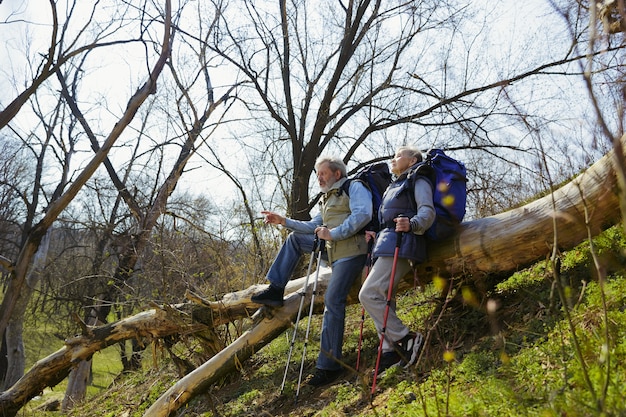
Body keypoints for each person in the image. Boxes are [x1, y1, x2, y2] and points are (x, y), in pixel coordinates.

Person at [251, 155, 373, 386]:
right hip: (333, 250)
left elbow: (363, 215)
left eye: (322, 174)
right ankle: (276, 289)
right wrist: (283, 221)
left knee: (333, 300)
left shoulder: (354, 187)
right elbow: (311, 227)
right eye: (317, 175)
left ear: (337, 174)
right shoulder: (328, 198)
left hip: (352, 252)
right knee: (297, 239)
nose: (318, 178)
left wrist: (333, 234)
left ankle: (329, 367)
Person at [358, 145, 435, 375]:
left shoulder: (417, 180)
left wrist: (411, 224)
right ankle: (391, 349)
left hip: (404, 243)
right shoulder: (394, 185)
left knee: (368, 294)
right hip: (387, 243)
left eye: (399, 155)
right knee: (382, 297)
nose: (393, 158)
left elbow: (427, 212)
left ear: (412, 161)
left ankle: (406, 337)